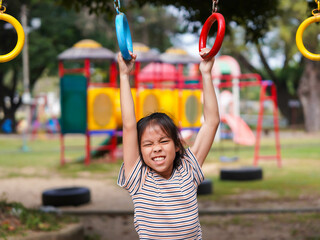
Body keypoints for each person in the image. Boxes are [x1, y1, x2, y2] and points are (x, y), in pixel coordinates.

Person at [117, 48, 219, 240]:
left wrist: (205, 73)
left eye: (164, 141)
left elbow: (212, 122)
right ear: (139, 151)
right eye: (148, 144)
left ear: (178, 145)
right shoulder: (139, 177)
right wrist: (124, 75)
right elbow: (129, 125)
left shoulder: (188, 169)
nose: (156, 147)